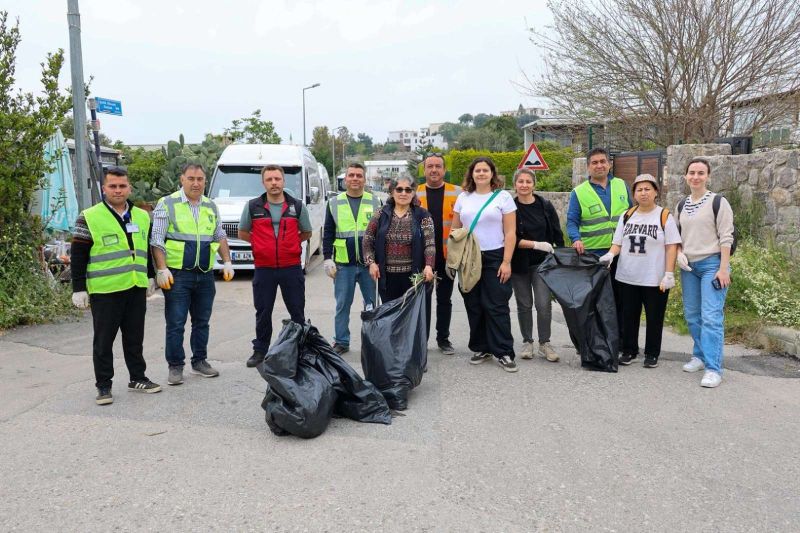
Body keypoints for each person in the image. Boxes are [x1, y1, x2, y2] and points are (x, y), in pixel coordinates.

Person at [70, 167, 161, 405]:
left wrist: (150, 276)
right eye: (113, 186)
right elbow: (78, 255)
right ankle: (103, 385)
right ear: (104, 189)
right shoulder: (89, 216)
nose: (118, 190)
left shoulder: (142, 216)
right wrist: (78, 288)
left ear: (129, 188)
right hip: (105, 290)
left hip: (135, 287)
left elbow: (144, 249)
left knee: (134, 338)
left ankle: (138, 378)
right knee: (104, 341)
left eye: (122, 186)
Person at [151, 163, 234, 386]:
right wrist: (161, 269)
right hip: (177, 275)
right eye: (191, 179)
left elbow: (219, 235)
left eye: (200, 179)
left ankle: (200, 361)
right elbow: (156, 239)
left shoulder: (210, 205)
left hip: (205, 275)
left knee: (202, 322)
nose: (196, 183)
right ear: (182, 179)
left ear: (205, 181)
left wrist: (227, 262)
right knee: (176, 323)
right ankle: (175, 366)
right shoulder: (167, 203)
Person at [598, 174, 681, 368]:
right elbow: (617, 243)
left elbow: (671, 246)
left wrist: (669, 273)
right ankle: (629, 350)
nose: (643, 193)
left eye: (647, 189)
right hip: (627, 276)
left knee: (654, 317)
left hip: (654, 277)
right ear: (634, 194)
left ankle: (652, 353)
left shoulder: (664, 216)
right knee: (628, 316)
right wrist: (610, 255)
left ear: (655, 192)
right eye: (639, 190)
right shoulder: (627, 216)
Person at [238, 165, 313, 368]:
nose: (274, 183)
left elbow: (306, 232)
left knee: (297, 311)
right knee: (263, 312)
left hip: (291, 267)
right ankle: (260, 350)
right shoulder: (253, 206)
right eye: (269, 179)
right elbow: (243, 232)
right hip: (264, 268)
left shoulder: (297, 206)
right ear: (263, 183)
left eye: (277, 179)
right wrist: (261, 245)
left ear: (283, 181)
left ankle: (301, 349)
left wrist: (290, 244)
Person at [451, 157, 518, 372]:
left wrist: (506, 262)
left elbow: (510, 232)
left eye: (485, 170)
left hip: (495, 256)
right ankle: (482, 347)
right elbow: (455, 231)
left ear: (492, 174)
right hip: (469, 257)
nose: (481, 173)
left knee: (497, 304)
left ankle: (504, 351)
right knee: (474, 304)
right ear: (471, 174)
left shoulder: (503, 197)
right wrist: (454, 259)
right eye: (477, 170)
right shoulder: (463, 197)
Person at [675, 158, 734, 388]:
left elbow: (726, 237)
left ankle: (713, 368)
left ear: (708, 176)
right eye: (692, 172)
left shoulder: (718, 202)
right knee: (692, 315)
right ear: (686, 176)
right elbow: (677, 235)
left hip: (712, 265)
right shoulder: (682, 204)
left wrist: (723, 268)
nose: (696, 177)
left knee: (711, 317)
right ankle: (699, 356)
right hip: (689, 267)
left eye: (701, 173)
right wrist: (679, 253)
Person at [566, 147, 632, 343]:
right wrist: (576, 239)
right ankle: (597, 341)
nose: (599, 165)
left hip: (621, 253)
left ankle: (619, 342)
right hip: (593, 255)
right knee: (596, 300)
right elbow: (572, 221)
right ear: (588, 167)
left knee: (620, 298)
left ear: (609, 164)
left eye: (603, 161)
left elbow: (633, 213)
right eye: (594, 162)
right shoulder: (579, 192)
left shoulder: (621, 185)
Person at [322, 162, 380, 354]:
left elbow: (380, 234)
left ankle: (372, 341)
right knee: (342, 306)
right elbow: (328, 232)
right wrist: (327, 258)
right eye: (351, 175)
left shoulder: (375, 202)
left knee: (371, 306)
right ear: (345, 179)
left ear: (364, 179)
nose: (355, 178)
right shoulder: (334, 203)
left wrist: (378, 261)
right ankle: (341, 341)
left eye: (359, 175)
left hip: (368, 265)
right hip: (343, 265)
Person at [510, 168, 564, 362]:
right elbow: (509, 238)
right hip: (519, 264)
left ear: (534, 184)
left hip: (542, 264)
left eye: (528, 181)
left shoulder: (545, 206)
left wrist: (560, 256)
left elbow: (557, 232)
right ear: (515, 184)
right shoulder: (510, 208)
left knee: (543, 304)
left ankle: (544, 343)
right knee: (524, 304)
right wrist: (535, 244)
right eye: (520, 181)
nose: (524, 185)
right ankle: (527, 341)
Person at [416, 153, 462, 355]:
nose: (434, 170)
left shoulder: (458, 193)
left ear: (444, 169)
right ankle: (421, 341)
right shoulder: (414, 193)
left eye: (438, 166)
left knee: (444, 300)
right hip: (421, 258)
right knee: (422, 301)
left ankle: (443, 339)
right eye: (430, 166)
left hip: (447, 256)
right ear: (424, 169)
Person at [363, 175, 435, 302]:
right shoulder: (380, 213)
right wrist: (371, 263)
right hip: (386, 277)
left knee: (411, 313)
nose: (403, 193)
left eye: (408, 190)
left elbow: (430, 244)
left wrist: (429, 265)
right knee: (390, 312)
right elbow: (367, 239)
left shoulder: (423, 215)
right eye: (399, 189)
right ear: (392, 192)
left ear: (413, 193)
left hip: (413, 277)